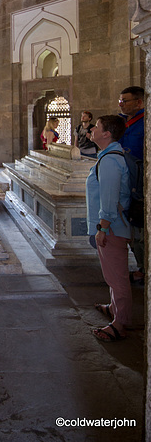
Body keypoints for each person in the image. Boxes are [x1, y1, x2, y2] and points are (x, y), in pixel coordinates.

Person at [86, 115, 132, 342]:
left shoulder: (111, 161)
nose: (92, 129)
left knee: (117, 277)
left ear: (106, 134)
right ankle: (115, 308)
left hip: (111, 227)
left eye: (97, 127)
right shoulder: (108, 157)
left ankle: (120, 324)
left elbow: (110, 198)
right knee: (113, 274)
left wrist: (102, 228)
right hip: (111, 226)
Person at [119, 86, 145, 284]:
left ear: (139, 102)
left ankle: (144, 270)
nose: (121, 104)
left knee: (140, 231)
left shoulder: (144, 123)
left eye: (125, 100)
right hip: (128, 184)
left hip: (141, 185)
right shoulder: (124, 124)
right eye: (120, 100)